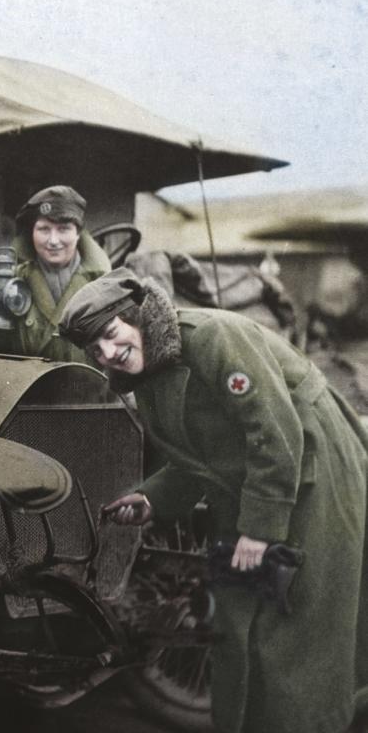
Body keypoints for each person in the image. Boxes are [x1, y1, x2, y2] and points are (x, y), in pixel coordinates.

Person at [58, 267, 368, 733]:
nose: (108, 353)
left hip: (311, 472)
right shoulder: (149, 378)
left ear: (139, 317)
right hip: (250, 487)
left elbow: (276, 432)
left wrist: (260, 533)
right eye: (94, 348)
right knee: (237, 623)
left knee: (294, 629)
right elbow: (195, 459)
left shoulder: (213, 338)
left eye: (110, 333)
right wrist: (151, 500)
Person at [0, 185, 111, 364]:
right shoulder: (11, 280)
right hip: (29, 388)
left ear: (78, 234)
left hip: (87, 389)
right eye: (44, 229)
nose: (53, 241)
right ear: (32, 234)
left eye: (63, 229)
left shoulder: (103, 284)